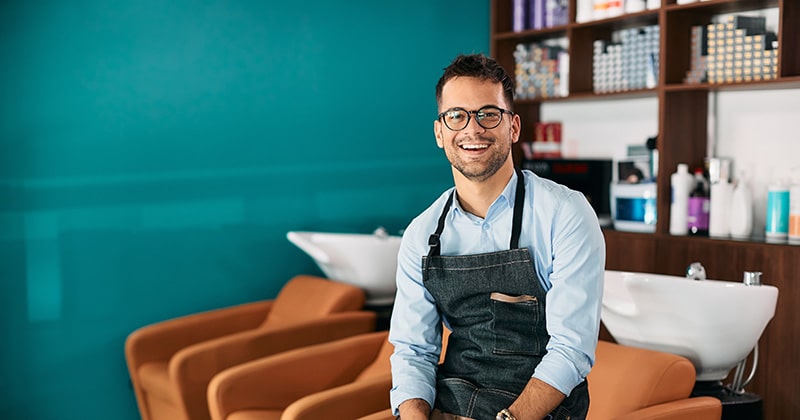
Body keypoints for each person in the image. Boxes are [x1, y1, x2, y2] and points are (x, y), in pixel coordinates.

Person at [388, 53, 605, 420]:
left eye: (488, 114)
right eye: (457, 116)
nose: (472, 129)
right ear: (440, 132)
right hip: (452, 402)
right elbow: (413, 351)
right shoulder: (422, 235)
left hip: (539, 410)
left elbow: (572, 349)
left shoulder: (565, 214)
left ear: (514, 127)